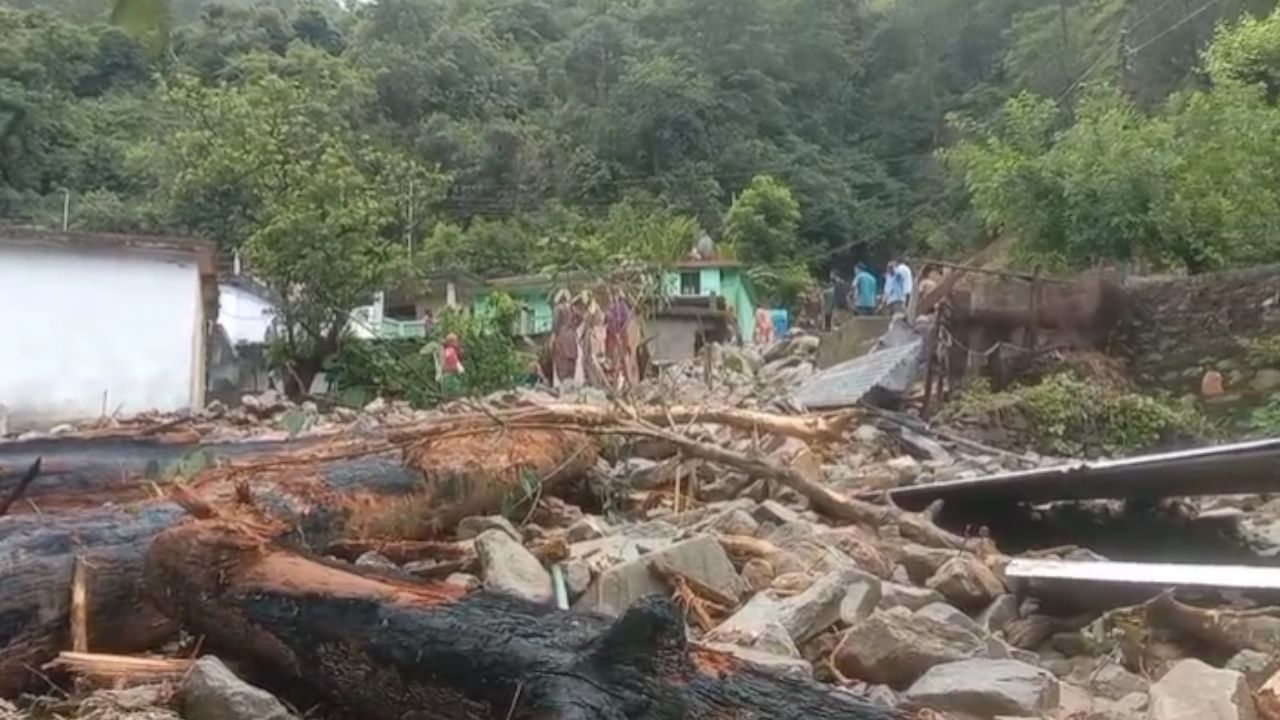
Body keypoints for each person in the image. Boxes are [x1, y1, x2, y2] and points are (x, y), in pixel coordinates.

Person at [550, 289, 581, 389]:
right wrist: (573, 326)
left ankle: (563, 384)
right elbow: (581, 317)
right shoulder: (572, 308)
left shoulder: (558, 308)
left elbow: (555, 324)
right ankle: (570, 383)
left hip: (561, 336)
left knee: (561, 359)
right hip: (571, 336)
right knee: (571, 359)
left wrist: (553, 336)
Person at [605, 290, 631, 388]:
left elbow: (627, 319)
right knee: (614, 359)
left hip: (622, 336)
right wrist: (613, 331)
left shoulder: (623, 306)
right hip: (613, 336)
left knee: (623, 359)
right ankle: (615, 383)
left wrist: (620, 331)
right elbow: (608, 320)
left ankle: (626, 382)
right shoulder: (610, 306)